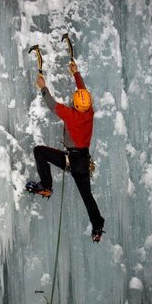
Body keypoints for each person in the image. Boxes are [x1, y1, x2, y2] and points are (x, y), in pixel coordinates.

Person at [25, 62, 105, 243]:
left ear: (75, 105)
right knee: (87, 196)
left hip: (71, 159)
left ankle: (46, 185)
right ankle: (97, 225)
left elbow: (52, 104)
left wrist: (42, 86)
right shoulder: (89, 112)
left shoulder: (70, 114)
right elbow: (84, 93)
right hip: (83, 162)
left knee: (40, 151)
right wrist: (76, 74)